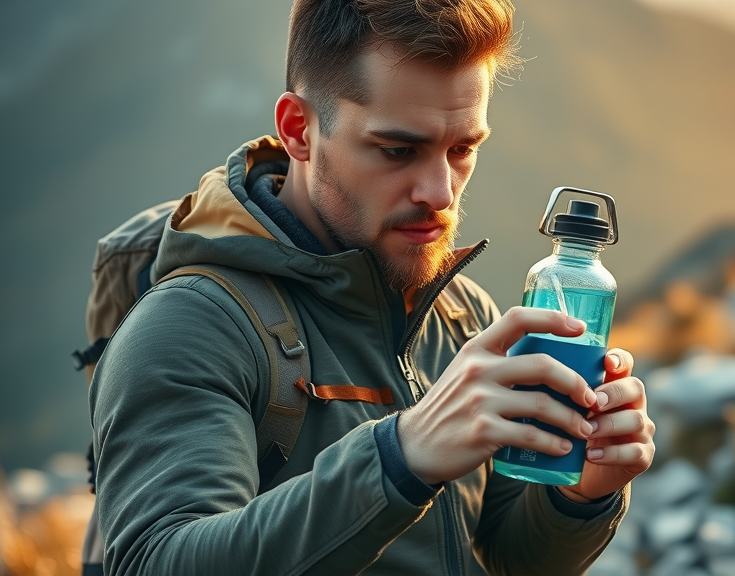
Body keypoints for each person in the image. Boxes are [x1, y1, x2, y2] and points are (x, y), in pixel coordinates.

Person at [89, 0, 656, 574]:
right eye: (398, 150)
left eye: (462, 149)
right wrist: (401, 456)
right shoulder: (191, 325)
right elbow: (155, 561)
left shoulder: (464, 315)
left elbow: (510, 557)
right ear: (299, 130)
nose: (441, 192)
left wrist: (579, 496)